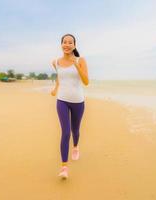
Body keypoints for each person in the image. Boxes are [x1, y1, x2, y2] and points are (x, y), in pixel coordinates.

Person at [51, 33, 89, 179]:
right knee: (65, 132)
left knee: (75, 131)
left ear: (74, 45)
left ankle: (76, 146)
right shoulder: (55, 62)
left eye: (70, 42)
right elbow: (60, 77)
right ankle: (64, 167)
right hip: (62, 100)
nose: (67, 45)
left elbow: (86, 81)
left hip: (78, 101)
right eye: (64, 42)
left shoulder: (81, 60)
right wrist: (55, 89)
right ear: (61, 44)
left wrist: (76, 65)